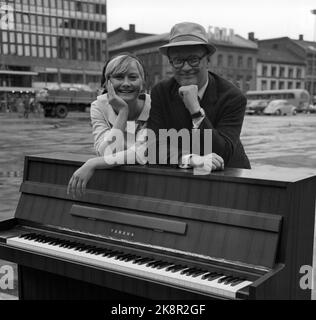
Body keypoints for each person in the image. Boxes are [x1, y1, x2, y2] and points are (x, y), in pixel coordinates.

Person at [147, 22, 251, 170]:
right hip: (185, 173)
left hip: (228, 177)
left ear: (208, 60)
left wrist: (196, 111)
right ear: (171, 63)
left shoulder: (233, 97)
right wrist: (190, 159)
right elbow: (153, 146)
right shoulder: (161, 92)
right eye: (178, 61)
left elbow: (222, 153)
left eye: (193, 59)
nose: (186, 67)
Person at [67, 53, 150, 198]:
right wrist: (123, 112)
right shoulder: (99, 106)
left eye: (133, 77)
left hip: (148, 186)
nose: (126, 83)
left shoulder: (155, 107)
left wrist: (94, 163)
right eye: (118, 77)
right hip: (115, 189)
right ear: (107, 83)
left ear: (142, 82)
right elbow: (107, 152)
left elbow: (142, 153)